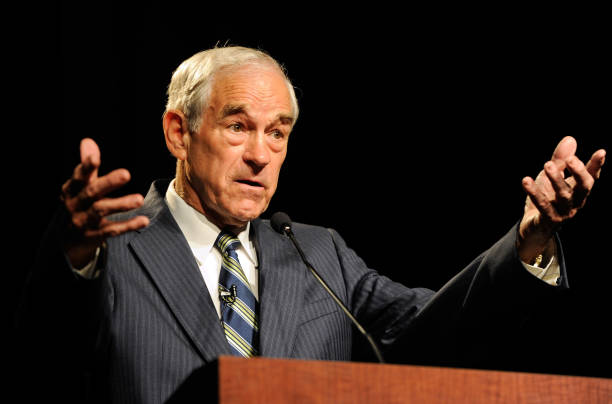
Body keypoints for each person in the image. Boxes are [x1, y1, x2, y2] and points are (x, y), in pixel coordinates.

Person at [18, 46, 606, 403]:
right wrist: (72, 253)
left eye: (277, 132)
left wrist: (530, 240)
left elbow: (434, 328)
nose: (260, 155)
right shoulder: (111, 248)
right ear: (178, 133)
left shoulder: (317, 253)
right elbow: (46, 352)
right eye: (237, 126)